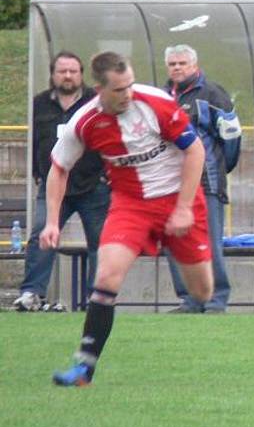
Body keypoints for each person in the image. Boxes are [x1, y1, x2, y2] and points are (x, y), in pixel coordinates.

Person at [43, 52, 213, 386]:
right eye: (119, 89)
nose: (128, 94)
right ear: (100, 89)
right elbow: (58, 169)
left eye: (130, 85)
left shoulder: (156, 103)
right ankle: (84, 368)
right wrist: (51, 221)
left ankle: (183, 255)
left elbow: (195, 150)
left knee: (202, 292)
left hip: (179, 197)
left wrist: (182, 208)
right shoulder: (84, 122)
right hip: (130, 205)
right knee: (106, 277)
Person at [12, 52, 110, 312]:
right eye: (62, 71)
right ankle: (32, 293)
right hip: (54, 184)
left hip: (93, 185)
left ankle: (97, 298)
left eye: (73, 71)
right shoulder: (39, 104)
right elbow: (34, 140)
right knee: (42, 234)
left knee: (99, 241)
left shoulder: (96, 102)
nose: (67, 76)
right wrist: (37, 171)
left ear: (81, 74)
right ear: (53, 74)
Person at [163, 44, 241, 314]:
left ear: (195, 65)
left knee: (209, 241)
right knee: (175, 240)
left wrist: (218, 169)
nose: (177, 68)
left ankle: (217, 299)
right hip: (171, 184)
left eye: (182, 63)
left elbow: (232, 140)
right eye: (172, 64)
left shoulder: (213, 94)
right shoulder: (161, 98)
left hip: (207, 182)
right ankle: (190, 298)